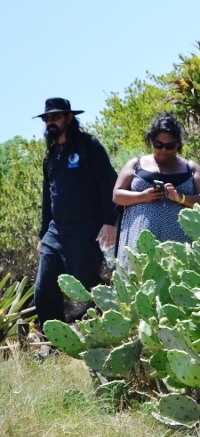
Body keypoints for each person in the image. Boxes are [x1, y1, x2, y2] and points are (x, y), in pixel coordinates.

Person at [33, 98, 118, 329]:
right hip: (56, 232)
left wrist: (109, 222)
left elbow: (107, 183)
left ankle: (112, 325)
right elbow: (48, 197)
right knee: (43, 288)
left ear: (69, 118)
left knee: (87, 282)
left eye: (56, 117)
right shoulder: (51, 155)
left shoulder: (89, 146)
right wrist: (43, 234)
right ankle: (53, 339)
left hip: (87, 229)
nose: (50, 122)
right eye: (47, 118)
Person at [113, 114, 200, 266]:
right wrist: (142, 196)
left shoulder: (191, 168)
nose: (164, 150)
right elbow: (117, 195)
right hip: (139, 246)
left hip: (179, 247)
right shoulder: (136, 164)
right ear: (151, 141)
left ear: (178, 144)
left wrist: (181, 198)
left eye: (170, 146)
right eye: (158, 145)